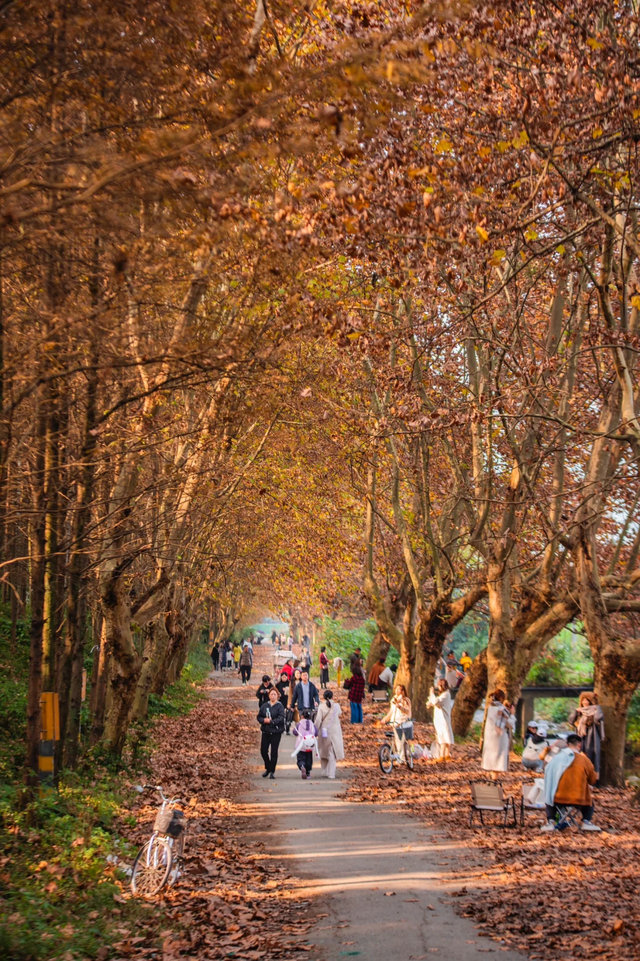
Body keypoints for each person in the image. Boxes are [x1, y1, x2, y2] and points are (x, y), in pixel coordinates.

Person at [541, 733, 601, 832]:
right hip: (579, 799)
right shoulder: (585, 760)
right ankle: (586, 821)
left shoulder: (556, 759)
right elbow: (592, 780)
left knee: (549, 797)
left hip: (558, 798)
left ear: (567, 745)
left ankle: (551, 821)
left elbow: (547, 771)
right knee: (590, 803)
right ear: (579, 745)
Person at [568, 692, 605, 780]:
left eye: (587, 700)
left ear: (591, 701)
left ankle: (593, 779)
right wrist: (576, 712)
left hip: (592, 736)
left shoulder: (595, 709)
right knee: (580, 755)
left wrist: (596, 709)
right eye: (583, 700)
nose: (585, 702)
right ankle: (581, 778)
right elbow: (571, 721)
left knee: (592, 756)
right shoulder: (580, 711)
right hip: (581, 737)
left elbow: (598, 718)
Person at [481, 689, 516, 779]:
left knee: (492, 759)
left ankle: (493, 777)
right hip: (499, 738)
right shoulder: (502, 709)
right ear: (501, 698)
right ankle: (494, 780)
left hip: (490, 737)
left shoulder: (490, 708)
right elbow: (509, 724)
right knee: (498, 758)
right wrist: (512, 714)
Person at [315, 689, 344, 778]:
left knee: (323, 750)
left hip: (324, 731)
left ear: (323, 697)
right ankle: (331, 773)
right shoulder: (337, 706)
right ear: (332, 696)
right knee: (332, 752)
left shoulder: (321, 706)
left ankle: (324, 771)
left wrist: (315, 729)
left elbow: (318, 720)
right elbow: (339, 714)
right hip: (334, 731)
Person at [258, 687, 285, 779]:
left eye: (274, 694)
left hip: (276, 731)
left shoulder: (279, 706)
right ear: (269, 695)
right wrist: (263, 720)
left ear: (277, 696)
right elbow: (259, 716)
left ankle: (272, 771)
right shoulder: (265, 705)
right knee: (263, 751)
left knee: (274, 752)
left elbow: (281, 718)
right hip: (266, 731)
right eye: (271, 694)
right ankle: (268, 767)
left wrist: (272, 721)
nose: (273, 696)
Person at [381, 684, 413, 755]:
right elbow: (391, 711)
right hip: (395, 722)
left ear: (403, 691)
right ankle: (400, 756)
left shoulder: (406, 700)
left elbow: (407, 711)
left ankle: (402, 758)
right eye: (396, 689)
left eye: (399, 689)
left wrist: (400, 707)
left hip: (403, 722)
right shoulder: (394, 699)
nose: (397, 691)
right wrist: (385, 719)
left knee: (401, 741)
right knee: (397, 740)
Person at [428, 678, 455, 760]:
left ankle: (442, 755)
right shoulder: (444, 695)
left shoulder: (446, 694)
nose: (438, 688)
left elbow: (436, 701)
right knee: (445, 736)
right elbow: (436, 703)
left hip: (443, 719)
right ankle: (447, 755)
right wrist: (430, 703)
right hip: (441, 719)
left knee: (443, 737)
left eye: (439, 686)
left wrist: (431, 694)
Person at [292, 710, 318, 779]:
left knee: (301, 758)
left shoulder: (299, 724)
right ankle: (308, 772)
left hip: (301, 745)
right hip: (309, 745)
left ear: (302, 716)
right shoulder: (312, 724)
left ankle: (302, 766)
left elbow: (294, 732)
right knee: (308, 759)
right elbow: (316, 733)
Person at [287, 667, 303, 733]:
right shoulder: (292, 683)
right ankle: (295, 728)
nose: (298, 675)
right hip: (294, 702)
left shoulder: (303, 682)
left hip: (301, 702)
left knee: (300, 716)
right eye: (296, 673)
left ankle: (300, 729)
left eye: (299, 673)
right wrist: (289, 703)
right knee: (295, 716)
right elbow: (290, 694)